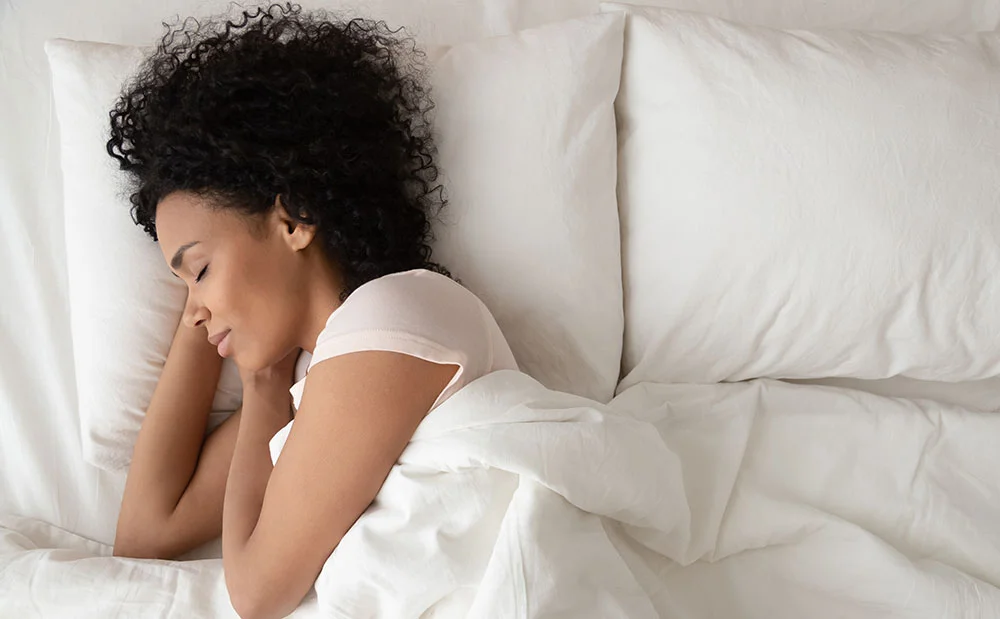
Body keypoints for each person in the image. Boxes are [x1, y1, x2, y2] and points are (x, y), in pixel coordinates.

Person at [105, 4, 517, 618]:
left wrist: (259, 382)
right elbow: (143, 535)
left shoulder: (394, 314)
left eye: (201, 269)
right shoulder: (311, 380)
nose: (191, 313)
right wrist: (260, 376)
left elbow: (257, 594)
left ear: (294, 219)